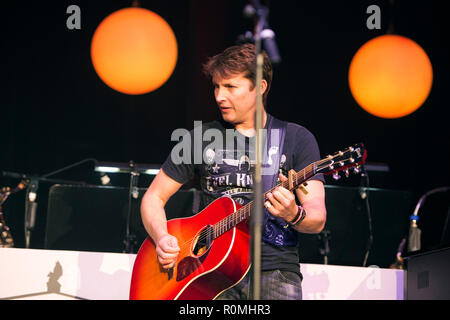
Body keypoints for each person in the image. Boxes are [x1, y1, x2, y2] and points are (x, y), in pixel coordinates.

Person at [140, 43, 327, 300]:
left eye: (230, 87)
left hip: (274, 273)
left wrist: (294, 214)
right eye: (216, 86)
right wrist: (161, 237)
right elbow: (153, 197)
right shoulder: (201, 138)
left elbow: (317, 218)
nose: (219, 96)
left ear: (260, 87)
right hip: (210, 273)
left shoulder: (296, 139)